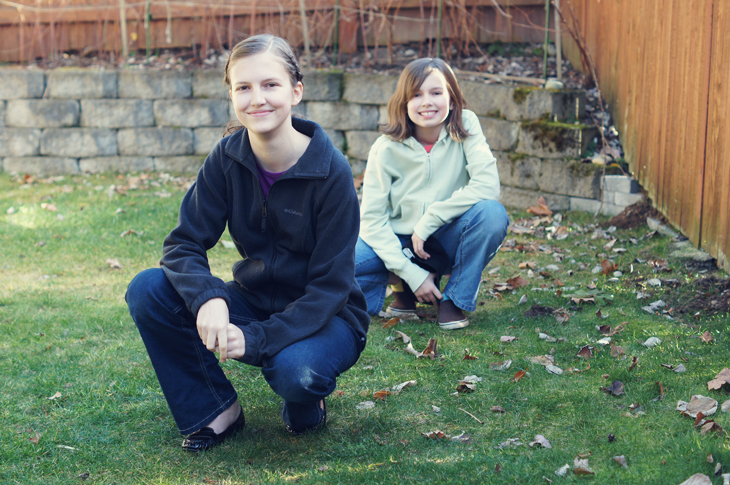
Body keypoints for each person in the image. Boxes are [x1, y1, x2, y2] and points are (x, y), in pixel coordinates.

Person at [126, 34, 369, 452]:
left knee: (296, 373)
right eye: (243, 87)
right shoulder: (226, 159)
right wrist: (208, 298)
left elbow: (330, 288)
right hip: (254, 298)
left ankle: (305, 399)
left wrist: (256, 339)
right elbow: (183, 243)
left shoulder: (331, 171)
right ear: (232, 96)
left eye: (270, 84)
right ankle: (216, 410)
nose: (257, 99)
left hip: (327, 314)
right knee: (149, 289)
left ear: (295, 91)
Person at [355, 57, 509, 330]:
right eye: (416, 95)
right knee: (339, 266)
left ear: (452, 98)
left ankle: (452, 300)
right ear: (404, 102)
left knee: (492, 214)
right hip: (399, 242)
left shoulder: (466, 125)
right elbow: (372, 221)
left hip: (445, 237)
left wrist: (430, 220)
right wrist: (411, 273)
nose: (426, 102)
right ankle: (403, 288)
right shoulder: (385, 147)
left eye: (436, 93)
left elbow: (487, 185)